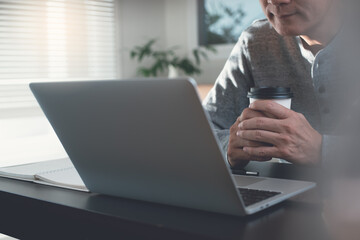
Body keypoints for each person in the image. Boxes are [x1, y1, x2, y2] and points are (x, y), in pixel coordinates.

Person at [203, 0, 348, 169]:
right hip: (289, 190)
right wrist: (228, 146)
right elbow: (203, 131)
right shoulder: (256, 42)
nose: (275, 1)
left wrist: (320, 150)